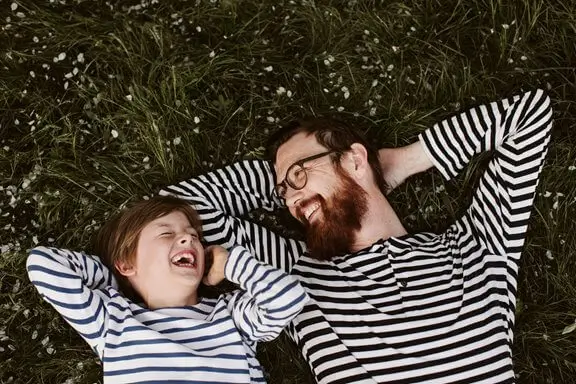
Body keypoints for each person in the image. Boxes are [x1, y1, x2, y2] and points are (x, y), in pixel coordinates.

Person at [161, 89, 553, 383]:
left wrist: (397, 163)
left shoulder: (477, 246)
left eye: (298, 174)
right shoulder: (297, 273)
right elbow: (174, 209)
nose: (291, 199)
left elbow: (529, 116)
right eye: (283, 192)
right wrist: (294, 181)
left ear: (354, 158)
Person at [26, 195, 309, 384]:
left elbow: (288, 298)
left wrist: (230, 264)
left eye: (195, 236)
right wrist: (113, 277)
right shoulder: (113, 320)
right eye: (167, 233)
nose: (188, 237)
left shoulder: (229, 314)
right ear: (126, 263)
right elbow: (43, 264)